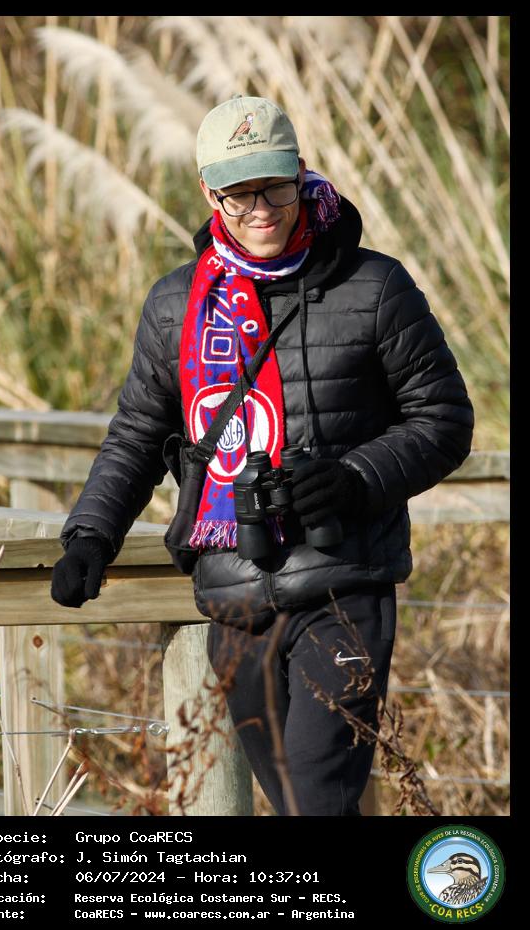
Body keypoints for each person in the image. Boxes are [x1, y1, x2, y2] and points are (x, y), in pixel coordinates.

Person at [51, 95, 474, 816]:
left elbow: (445, 420)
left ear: (300, 172)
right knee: (292, 802)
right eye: (239, 192)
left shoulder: (374, 286)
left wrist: (352, 480)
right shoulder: (175, 306)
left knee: (316, 798)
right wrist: (90, 534)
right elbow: (137, 433)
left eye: (274, 187)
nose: (260, 209)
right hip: (234, 594)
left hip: (342, 587)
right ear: (208, 192)